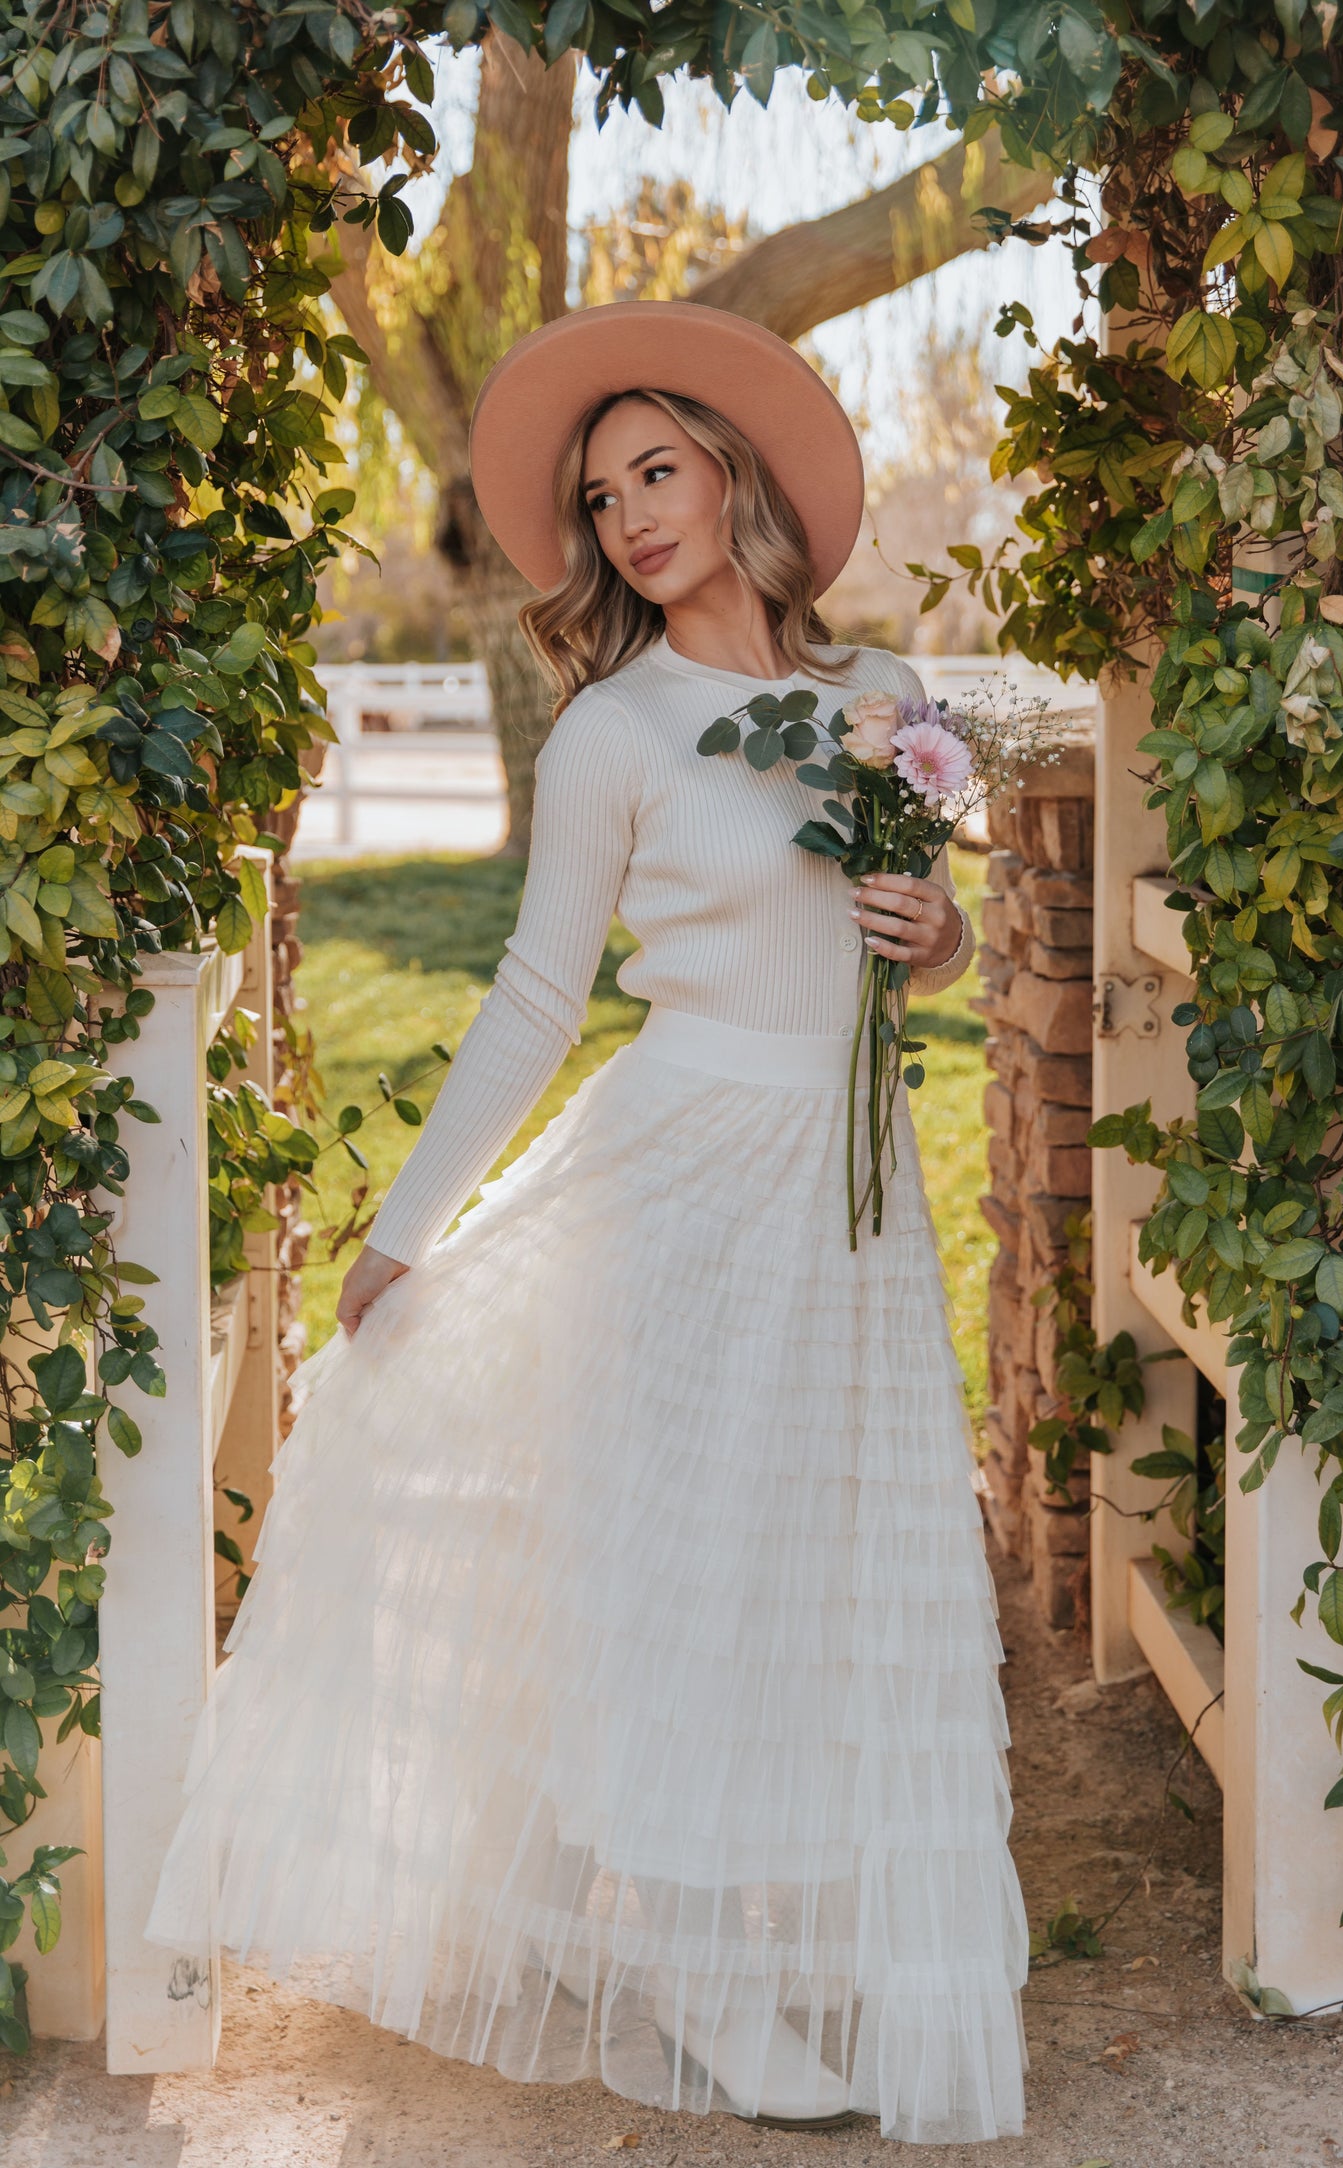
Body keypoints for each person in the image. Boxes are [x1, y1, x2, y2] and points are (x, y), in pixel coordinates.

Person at [143, 300, 1029, 2145]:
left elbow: (918, 949)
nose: (629, 515)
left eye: (657, 469)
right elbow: (539, 1000)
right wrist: (399, 1238)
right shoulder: (614, 730)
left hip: (848, 1197)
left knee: (811, 1549)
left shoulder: (880, 697)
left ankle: (756, 1928)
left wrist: (939, 941)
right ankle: (694, 1963)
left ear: (731, 472)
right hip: (686, 1164)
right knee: (682, 1560)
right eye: (600, 493)